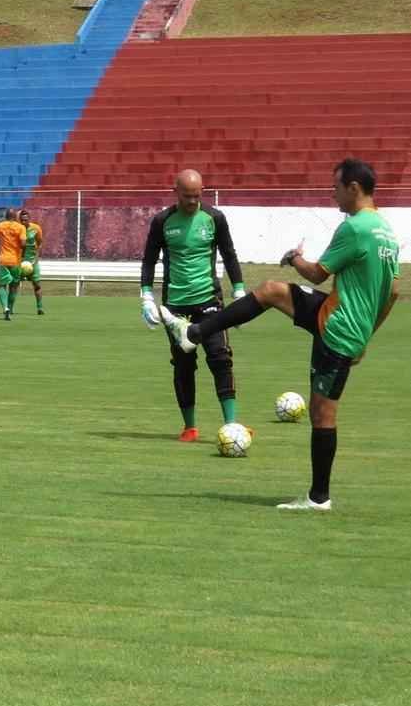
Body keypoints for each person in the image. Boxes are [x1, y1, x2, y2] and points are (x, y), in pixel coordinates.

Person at [163, 159, 400, 511]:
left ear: (354, 188)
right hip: (345, 323)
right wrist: (367, 336)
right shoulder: (386, 231)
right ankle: (194, 332)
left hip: (336, 329)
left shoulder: (354, 228)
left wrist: (294, 258)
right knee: (272, 291)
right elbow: (392, 291)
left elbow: (318, 274)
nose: (332, 193)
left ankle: (319, 498)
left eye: (336, 187)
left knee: (322, 415)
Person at [140, 169, 245, 442]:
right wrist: (146, 296)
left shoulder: (214, 218)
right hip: (175, 305)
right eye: (187, 196)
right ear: (175, 191)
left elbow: (229, 253)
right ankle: (190, 427)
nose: (192, 202)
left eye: (197, 196)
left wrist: (239, 289)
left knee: (221, 357)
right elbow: (149, 259)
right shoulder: (162, 221)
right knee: (184, 366)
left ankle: (232, 424)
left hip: (209, 300)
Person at [0, 208, 26, 320]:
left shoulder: (0, 226)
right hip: (15, 261)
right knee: (14, 286)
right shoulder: (20, 227)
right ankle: (11, 308)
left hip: (3, 260)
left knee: (2, 286)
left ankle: (5, 308)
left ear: (5, 216)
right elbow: (23, 244)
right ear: (15, 217)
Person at [19, 209, 45, 315]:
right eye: (22, 220)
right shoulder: (17, 229)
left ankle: (40, 307)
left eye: (26, 219)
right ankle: (9, 308)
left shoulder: (36, 228)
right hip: (19, 261)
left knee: (37, 284)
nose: (24, 222)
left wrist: (35, 259)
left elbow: (39, 243)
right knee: (14, 284)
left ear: (29, 219)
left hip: (32, 261)